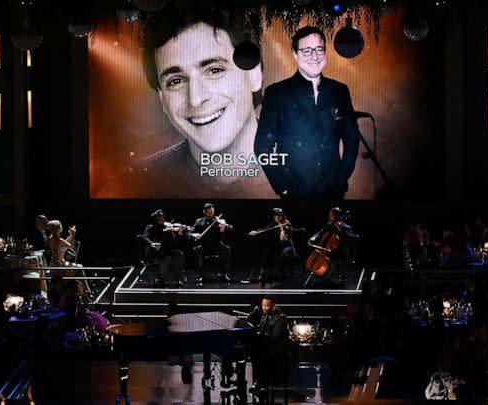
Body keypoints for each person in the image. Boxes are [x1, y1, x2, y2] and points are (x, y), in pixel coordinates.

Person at [138, 1, 276, 198]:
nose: (195, 99)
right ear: (162, 99)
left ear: (253, 75)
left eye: (214, 70)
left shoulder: (308, 169)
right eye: (176, 81)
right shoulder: (141, 181)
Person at [255, 26, 361, 199]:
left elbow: (352, 140)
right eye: (307, 51)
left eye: (319, 49)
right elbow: (262, 147)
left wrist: (341, 178)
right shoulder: (277, 93)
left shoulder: (339, 90)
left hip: (333, 192)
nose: (315, 56)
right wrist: (282, 187)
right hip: (294, 193)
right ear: (295, 54)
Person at [247, 295, 288, 389]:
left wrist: (260, 335)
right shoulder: (266, 315)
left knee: (258, 357)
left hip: (276, 350)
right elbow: (261, 328)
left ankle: (261, 382)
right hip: (266, 347)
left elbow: (276, 337)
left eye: (267, 305)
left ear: (273, 305)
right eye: (263, 305)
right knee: (252, 353)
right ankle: (256, 381)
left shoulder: (281, 317)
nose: (264, 308)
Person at [248, 208, 297, 283]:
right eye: (275, 217)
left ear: (282, 216)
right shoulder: (275, 223)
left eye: (279, 217)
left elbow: (285, 238)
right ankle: (262, 273)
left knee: (284, 253)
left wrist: (283, 231)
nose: (277, 218)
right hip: (279, 246)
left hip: (288, 246)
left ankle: (283, 272)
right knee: (266, 251)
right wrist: (256, 231)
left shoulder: (287, 223)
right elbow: (265, 228)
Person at [188, 203, 232, 284]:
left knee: (227, 249)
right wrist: (193, 235)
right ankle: (200, 275)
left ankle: (224, 274)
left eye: (211, 212)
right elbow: (188, 233)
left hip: (217, 245)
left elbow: (229, 229)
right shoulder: (199, 222)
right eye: (208, 212)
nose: (210, 214)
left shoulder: (219, 221)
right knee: (196, 250)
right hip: (204, 246)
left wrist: (222, 230)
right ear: (204, 212)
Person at [140, 209, 186, 287]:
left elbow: (173, 242)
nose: (163, 220)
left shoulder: (167, 228)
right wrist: (152, 243)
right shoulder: (150, 227)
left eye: (163, 218)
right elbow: (144, 237)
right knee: (165, 259)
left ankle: (176, 280)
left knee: (179, 254)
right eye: (160, 218)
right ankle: (163, 281)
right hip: (153, 253)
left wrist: (179, 233)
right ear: (155, 219)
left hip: (165, 251)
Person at [308, 207, 356, 277]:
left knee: (332, 261)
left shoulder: (346, 227)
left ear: (337, 216)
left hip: (340, 252)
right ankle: (324, 279)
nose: (329, 217)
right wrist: (313, 237)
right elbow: (320, 232)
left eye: (331, 215)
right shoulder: (328, 225)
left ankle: (328, 279)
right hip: (326, 251)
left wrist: (341, 230)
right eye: (329, 215)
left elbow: (351, 239)